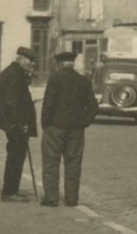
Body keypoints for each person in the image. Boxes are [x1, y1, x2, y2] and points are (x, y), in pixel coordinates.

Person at [40, 50, 97, 208]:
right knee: (73, 164)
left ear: (59, 64)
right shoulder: (83, 81)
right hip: (76, 130)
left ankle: (51, 198)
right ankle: (72, 199)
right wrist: (84, 122)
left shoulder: (55, 79)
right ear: (73, 63)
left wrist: (45, 123)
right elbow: (93, 107)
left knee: (51, 163)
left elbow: (48, 103)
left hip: (55, 127)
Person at [0, 46, 38, 202]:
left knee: (14, 156)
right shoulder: (16, 75)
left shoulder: (12, 72)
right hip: (15, 125)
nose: (33, 64)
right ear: (21, 59)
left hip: (10, 123)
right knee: (16, 157)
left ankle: (11, 190)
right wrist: (22, 123)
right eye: (30, 61)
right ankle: (10, 192)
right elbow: (13, 102)